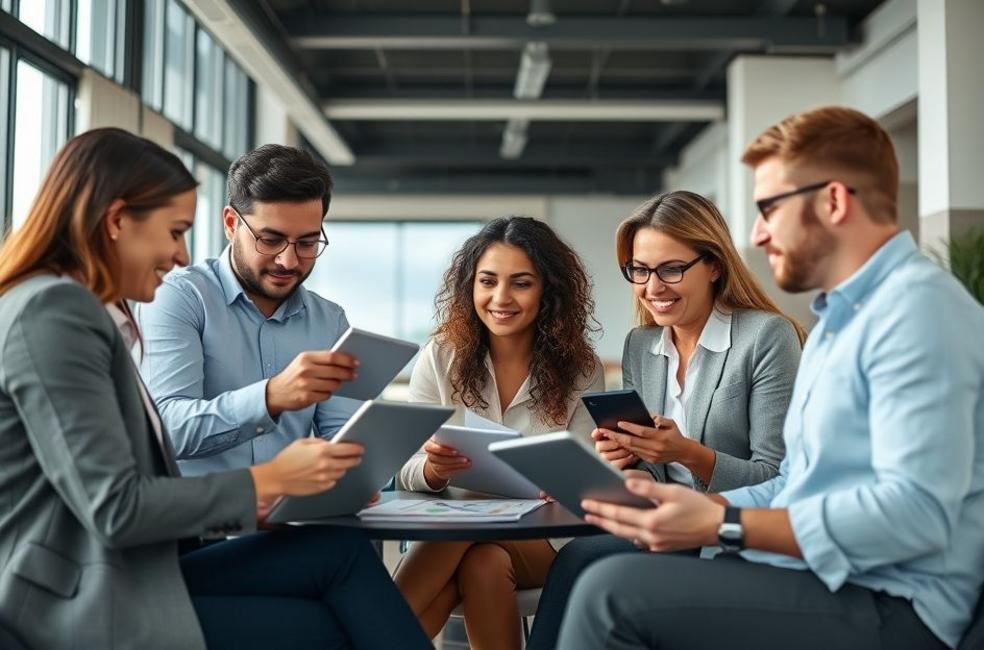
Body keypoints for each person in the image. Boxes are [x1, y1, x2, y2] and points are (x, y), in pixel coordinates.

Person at [558, 106, 984, 650]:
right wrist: (703, 509)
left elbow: (916, 516)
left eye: (769, 209)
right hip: (827, 576)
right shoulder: (840, 319)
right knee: (599, 576)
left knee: (612, 593)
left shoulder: (917, 311)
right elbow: (797, 484)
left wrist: (724, 525)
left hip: (895, 600)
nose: (757, 236)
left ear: (833, 201)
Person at [0, 128, 431, 649]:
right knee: (332, 622)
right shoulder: (60, 312)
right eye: (175, 231)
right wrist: (268, 479)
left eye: (307, 242)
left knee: (339, 558)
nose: (181, 255)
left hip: (140, 558)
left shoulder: (75, 309)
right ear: (117, 222)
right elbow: (116, 505)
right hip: (81, 592)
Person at [526, 190, 804, 649]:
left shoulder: (766, 337)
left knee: (583, 564)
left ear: (714, 265)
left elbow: (780, 477)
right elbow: (653, 474)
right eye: (640, 270)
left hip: (726, 534)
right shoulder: (642, 345)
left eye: (671, 269)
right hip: (658, 526)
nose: (652, 287)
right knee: (577, 560)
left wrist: (690, 455)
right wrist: (622, 459)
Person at [391, 217, 605, 649]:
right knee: (483, 563)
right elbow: (405, 468)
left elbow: (583, 478)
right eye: (487, 281)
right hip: (464, 537)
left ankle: (370, 629)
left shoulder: (581, 370)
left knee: (468, 529)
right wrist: (433, 471)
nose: (500, 298)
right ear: (470, 285)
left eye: (521, 283)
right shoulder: (441, 356)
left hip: (544, 539)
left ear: (548, 291)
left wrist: (559, 481)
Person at [138, 144, 361, 476]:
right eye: (270, 240)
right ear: (231, 224)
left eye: (307, 243)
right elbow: (166, 429)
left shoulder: (330, 321)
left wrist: (356, 471)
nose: (288, 261)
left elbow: (342, 437)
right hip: (207, 522)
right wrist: (270, 398)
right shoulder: (179, 298)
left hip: (297, 519)